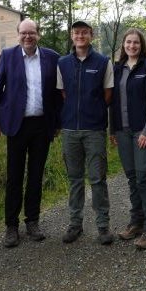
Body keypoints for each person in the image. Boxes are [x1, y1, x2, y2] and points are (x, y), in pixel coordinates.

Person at [0, 19, 62, 248]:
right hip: (16, 125)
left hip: (42, 125)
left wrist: (57, 122)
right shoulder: (8, 55)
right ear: (18, 35)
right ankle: (11, 226)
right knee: (14, 176)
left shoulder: (52, 57)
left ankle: (32, 221)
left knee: (36, 174)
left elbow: (58, 94)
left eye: (32, 33)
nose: (28, 37)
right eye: (24, 33)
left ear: (38, 35)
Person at [57, 20, 114, 245]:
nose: (80, 35)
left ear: (91, 35)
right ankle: (75, 224)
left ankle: (103, 226)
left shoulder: (102, 62)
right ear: (72, 36)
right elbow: (62, 94)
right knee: (75, 179)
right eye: (76, 32)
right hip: (70, 130)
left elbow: (108, 93)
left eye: (84, 32)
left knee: (98, 178)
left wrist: (94, 110)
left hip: (94, 130)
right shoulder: (62, 63)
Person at [109, 28, 146, 250]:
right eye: (128, 42)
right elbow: (112, 101)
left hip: (143, 132)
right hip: (123, 131)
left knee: (144, 178)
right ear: (123, 45)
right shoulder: (117, 68)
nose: (132, 46)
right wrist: (113, 130)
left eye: (136, 43)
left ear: (142, 46)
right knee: (131, 178)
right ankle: (136, 222)